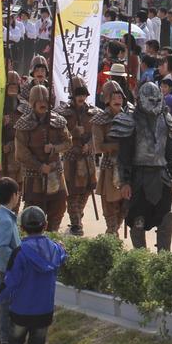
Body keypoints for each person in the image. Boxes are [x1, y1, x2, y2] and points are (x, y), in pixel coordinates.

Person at [0, 206, 67, 344]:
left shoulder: (19, 253)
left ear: (21, 228)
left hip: (21, 312)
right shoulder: (55, 250)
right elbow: (62, 254)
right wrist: (61, 247)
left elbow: (8, 286)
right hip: (44, 312)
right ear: (46, 225)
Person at [113, 81, 172, 250]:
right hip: (139, 177)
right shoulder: (130, 121)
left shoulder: (165, 119)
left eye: (157, 100)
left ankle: (163, 257)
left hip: (161, 176)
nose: (154, 104)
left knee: (166, 217)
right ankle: (140, 258)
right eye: (150, 100)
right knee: (138, 219)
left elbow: (169, 152)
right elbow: (124, 156)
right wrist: (125, 181)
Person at [14, 85, 71, 233]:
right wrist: (39, 166)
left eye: (45, 99)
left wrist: (54, 148)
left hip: (55, 173)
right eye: (39, 100)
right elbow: (21, 153)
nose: (42, 103)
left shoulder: (58, 121)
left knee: (58, 207)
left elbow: (68, 142)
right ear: (32, 102)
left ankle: (52, 236)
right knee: (33, 210)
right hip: (34, 175)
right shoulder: (23, 124)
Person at [58, 80, 97, 236]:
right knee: (72, 191)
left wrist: (90, 143)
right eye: (77, 94)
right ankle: (75, 222)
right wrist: (73, 133)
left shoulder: (93, 112)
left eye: (83, 94)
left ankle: (78, 214)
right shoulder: (63, 113)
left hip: (87, 157)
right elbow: (59, 134)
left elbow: (98, 133)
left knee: (87, 190)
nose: (81, 97)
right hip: (71, 157)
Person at [0, 178, 22, 344]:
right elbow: (1, 246)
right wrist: (17, 259)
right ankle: (6, 343)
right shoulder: (7, 220)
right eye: (18, 193)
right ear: (13, 195)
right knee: (6, 305)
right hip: (4, 267)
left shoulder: (0, 215)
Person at [92, 81, 129, 233]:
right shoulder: (99, 120)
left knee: (124, 207)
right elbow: (98, 147)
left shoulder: (129, 116)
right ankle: (111, 233)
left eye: (120, 96)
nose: (117, 99)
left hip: (127, 168)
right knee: (110, 206)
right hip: (109, 167)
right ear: (107, 99)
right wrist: (118, 146)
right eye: (114, 96)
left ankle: (114, 231)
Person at [0, 72, 22, 211]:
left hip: (15, 157)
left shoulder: (24, 108)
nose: (13, 89)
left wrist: (12, 145)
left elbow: (26, 133)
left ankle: (13, 215)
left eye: (15, 85)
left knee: (15, 188)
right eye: (10, 85)